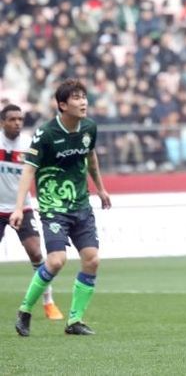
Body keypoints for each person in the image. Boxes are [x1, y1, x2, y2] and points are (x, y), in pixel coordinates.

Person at [11, 79, 112, 337]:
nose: (83, 102)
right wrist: (19, 207)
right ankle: (25, 310)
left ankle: (75, 320)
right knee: (56, 261)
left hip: (81, 203)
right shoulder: (46, 134)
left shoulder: (89, 128)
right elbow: (28, 170)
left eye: (84, 97)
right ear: (63, 105)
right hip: (53, 205)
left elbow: (91, 158)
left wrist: (100, 189)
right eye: (76, 98)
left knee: (92, 259)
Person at [0, 104, 64, 321]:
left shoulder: (29, 144)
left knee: (36, 253)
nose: (17, 123)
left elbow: (42, 170)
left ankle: (48, 302)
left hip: (23, 207)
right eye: (12, 119)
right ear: (2, 122)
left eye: (20, 119)